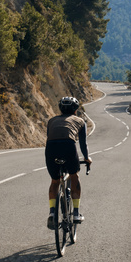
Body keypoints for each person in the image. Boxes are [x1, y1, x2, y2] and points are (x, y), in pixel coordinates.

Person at [45, 96, 91, 229]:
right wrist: (87, 158)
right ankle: (76, 213)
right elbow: (83, 144)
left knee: (54, 181)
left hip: (51, 148)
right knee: (74, 175)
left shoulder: (51, 121)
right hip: (68, 145)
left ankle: (52, 213)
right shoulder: (80, 121)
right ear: (76, 109)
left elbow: (50, 138)